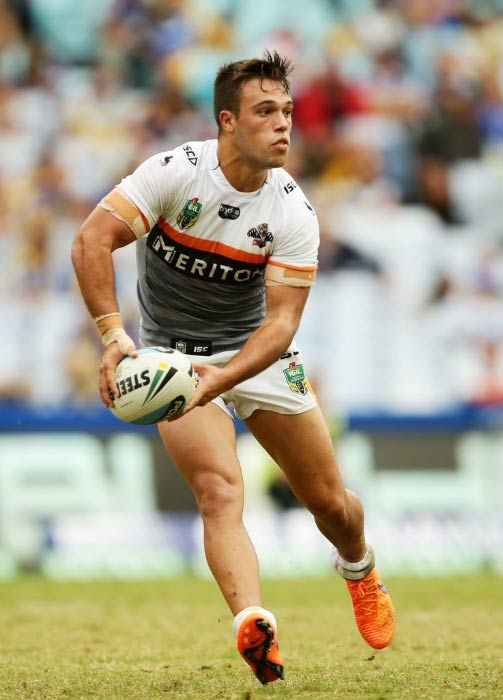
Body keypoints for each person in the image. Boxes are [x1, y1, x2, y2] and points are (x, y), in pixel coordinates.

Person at [71, 51, 395, 685]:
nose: (284, 126)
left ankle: (359, 567)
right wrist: (114, 336)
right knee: (218, 493)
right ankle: (254, 622)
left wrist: (217, 382)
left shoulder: (293, 212)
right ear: (227, 121)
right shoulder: (173, 174)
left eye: (288, 113)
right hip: (170, 352)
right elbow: (91, 240)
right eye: (266, 112)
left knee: (330, 504)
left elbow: (280, 327)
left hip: (256, 353)